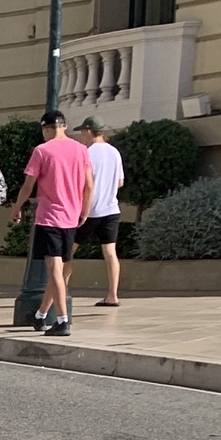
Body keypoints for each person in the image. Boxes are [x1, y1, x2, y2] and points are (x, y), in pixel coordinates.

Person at [12, 108, 92, 336]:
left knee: (54, 269)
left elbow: (29, 185)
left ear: (46, 128)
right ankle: (40, 315)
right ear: (64, 126)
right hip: (72, 216)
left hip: (50, 216)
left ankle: (62, 320)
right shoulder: (81, 149)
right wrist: (84, 211)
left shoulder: (42, 151)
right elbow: (88, 185)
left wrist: (17, 207)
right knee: (61, 269)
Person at [78, 116, 126, 307]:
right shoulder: (115, 152)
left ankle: (59, 291)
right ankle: (113, 295)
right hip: (111, 209)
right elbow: (120, 182)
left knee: (67, 252)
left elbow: (82, 182)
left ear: (89, 131)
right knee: (110, 252)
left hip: (89, 210)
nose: (82, 135)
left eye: (83, 131)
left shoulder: (87, 153)